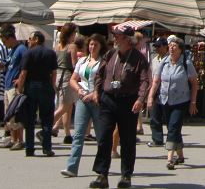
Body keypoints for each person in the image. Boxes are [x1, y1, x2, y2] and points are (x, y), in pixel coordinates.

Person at [89, 24, 152, 189]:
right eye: (115, 35)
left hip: (128, 101)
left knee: (127, 140)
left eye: (117, 35)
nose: (114, 38)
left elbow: (145, 80)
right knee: (103, 137)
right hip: (108, 99)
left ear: (127, 39)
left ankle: (126, 175)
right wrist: (96, 91)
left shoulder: (139, 58)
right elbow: (99, 74)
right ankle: (102, 175)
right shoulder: (110, 54)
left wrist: (140, 99)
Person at [149, 36, 198, 170]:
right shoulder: (163, 62)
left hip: (181, 101)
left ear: (180, 49)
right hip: (164, 100)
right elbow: (156, 81)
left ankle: (170, 158)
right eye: (170, 45)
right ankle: (181, 155)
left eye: (174, 46)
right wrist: (150, 97)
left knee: (173, 127)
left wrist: (193, 102)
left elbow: (194, 83)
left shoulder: (186, 64)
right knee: (174, 128)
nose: (171, 47)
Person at [62, 33, 106, 178]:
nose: (92, 47)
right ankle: (72, 167)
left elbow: (104, 83)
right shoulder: (82, 61)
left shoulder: (103, 62)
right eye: (91, 44)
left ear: (101, 47)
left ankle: (102, 167)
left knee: (101, 136)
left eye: (96, 45)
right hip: (82, 100)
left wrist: (93, 93)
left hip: (97, 100)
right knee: (78, 134)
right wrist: (79, 89)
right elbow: (73, 79)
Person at [18, 30, 59, 157]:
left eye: (30, 39)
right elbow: (54, 72)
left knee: (29, 118)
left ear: (36, 39)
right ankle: (47, 148)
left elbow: (23, 73)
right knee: (47, 118)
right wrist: (52, 87)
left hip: (31, 86)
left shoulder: (28, 53)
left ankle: (29, 148)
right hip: (46, 85)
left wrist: (20, 88)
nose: (28, 41)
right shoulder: (50, 53)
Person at [0, 30, 27, 151]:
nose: (4, 44)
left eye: (5, 41)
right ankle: (13, 139)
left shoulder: (21, 49)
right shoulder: (12, 51)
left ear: (10, 38)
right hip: (7, 86)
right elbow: (9, 65)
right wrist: (2, 65)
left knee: (16, 115)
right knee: (9, 116)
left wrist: (20, 82)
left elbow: (25, 68)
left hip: (14, 87)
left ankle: (20, 140)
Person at [55, 23, 80, 145]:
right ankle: (48, 126)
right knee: (64, 106)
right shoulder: (72, 47)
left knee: (67, 106)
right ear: (72, 34)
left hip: (58, 76)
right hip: (67, 76)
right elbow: (75, 65)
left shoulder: (58, 46)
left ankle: (67, 134)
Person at [147, 37, 168, 147]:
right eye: (155, 46)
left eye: (159, 46)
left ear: (165, 47)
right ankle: (157, 139)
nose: (156, 48)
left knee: (168, 116)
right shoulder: (154, 60)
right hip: (155, 90)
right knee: (154, 116)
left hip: (166, 90)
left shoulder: (170, 59)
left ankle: (172, 140)